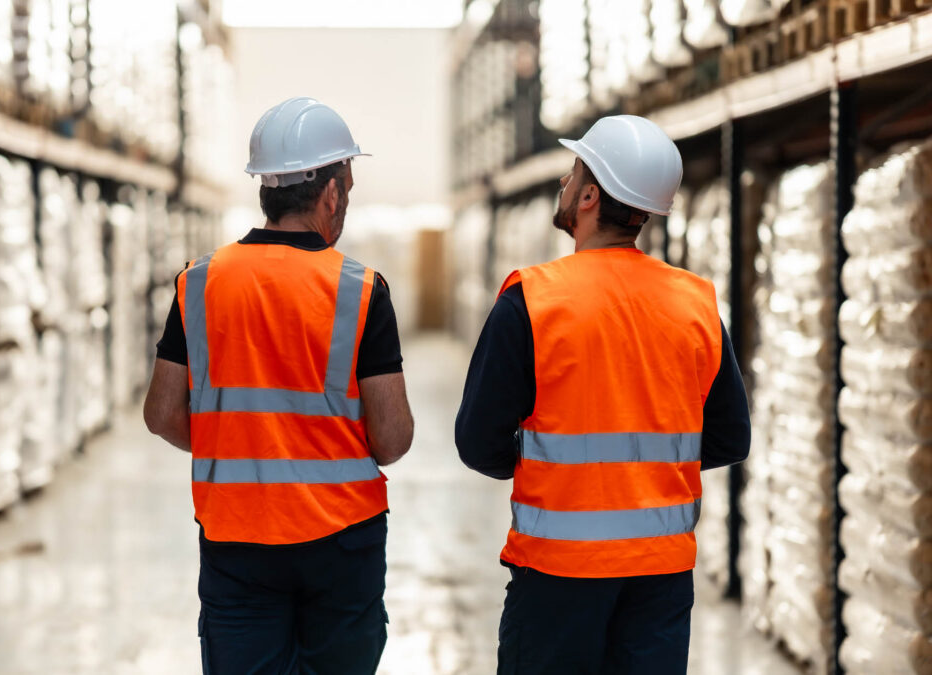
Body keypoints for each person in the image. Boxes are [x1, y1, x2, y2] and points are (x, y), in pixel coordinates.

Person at [455, 115, 751, 674]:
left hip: (558, 575)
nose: (565, 184)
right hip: (660, 577)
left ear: (590, 195)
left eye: (572, 173)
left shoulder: (532, 300)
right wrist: (646, 475)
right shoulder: (695, 303)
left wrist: (548, 468)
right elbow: (731, 438)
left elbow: (478, 444)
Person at [144, 96, 414, 675]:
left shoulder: (199, 282)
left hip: (238, 534)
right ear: (332, 194)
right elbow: (391, 438)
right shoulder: (362, 290)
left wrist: (239, 442)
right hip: (341, 540)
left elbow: (162, 413)